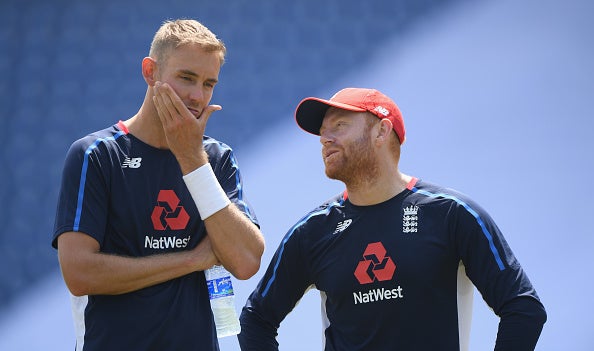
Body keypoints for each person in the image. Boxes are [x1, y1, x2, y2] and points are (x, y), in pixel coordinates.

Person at [238, 88, 546, 350]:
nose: (324, 139)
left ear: (381, 132)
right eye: (322, 132)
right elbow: (256, 318)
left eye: (339, 126)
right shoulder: (312, 232)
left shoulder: (452, 214)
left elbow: (523, 308)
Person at [52, 19, 265, 351]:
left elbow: (246, 261)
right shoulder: (97, 155)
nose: (198, 96)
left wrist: (192, 158)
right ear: (150, 71)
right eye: (186, 78)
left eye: (209, 84)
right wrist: (192, 259)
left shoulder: (216, 158)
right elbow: (79, 274)